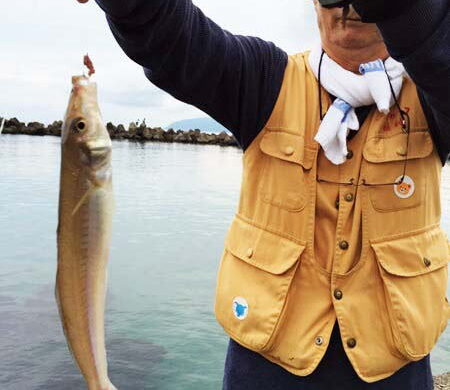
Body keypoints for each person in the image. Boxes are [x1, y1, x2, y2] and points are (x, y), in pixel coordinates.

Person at [78, 0, 450, 388]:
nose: (349, 6)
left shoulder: (432, 91)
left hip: (395, 369)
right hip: (265, 366)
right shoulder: (266, 78)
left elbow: (437, 50)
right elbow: (173, 39)